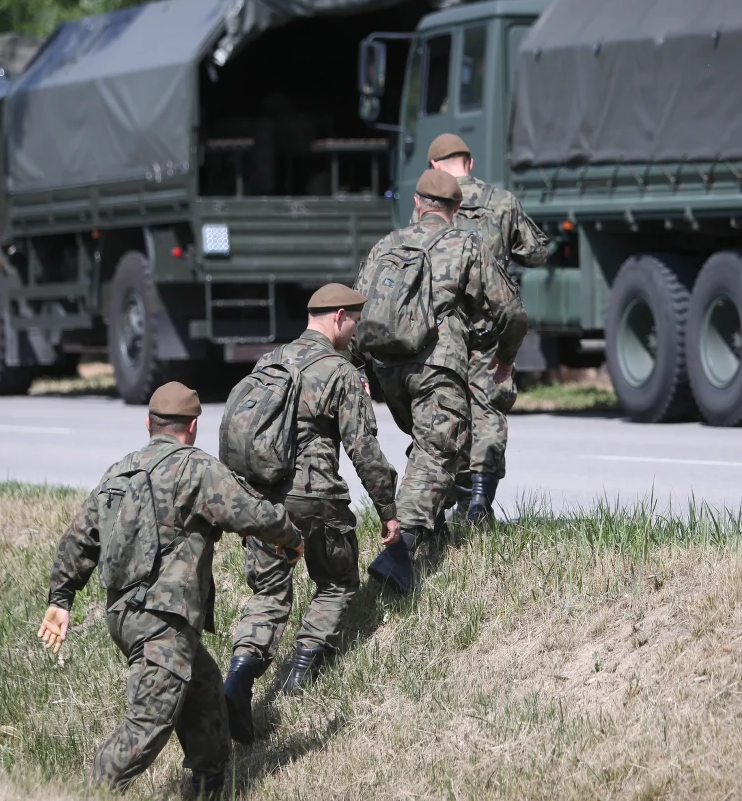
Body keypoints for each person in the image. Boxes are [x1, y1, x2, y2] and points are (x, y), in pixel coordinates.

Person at [39, 382, 303, 799]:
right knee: (148, 724)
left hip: (125, 617)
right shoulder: (197, 468)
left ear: (149, 424)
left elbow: (78, 538)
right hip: (164, 619)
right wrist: (291, 538)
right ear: (193, 426)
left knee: (205, 694)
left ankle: (208, 786)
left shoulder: (120, 471)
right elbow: (252, 513)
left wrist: (61, 598)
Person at [222, 283, 399, 742]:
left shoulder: (270, 362)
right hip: (316, 499)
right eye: (355, 321)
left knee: (267, 593)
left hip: (261, 501)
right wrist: (388, 509)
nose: (356, 331)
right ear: (339, 316)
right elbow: (364, 451)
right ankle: (301, 673)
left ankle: (239, 676)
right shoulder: (339, 371)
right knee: (337, 582)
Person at [354, 169, 527, 593]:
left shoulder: (386, 245)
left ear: (417, 203)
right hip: (437, 363)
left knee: (434, 444)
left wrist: (357, 368)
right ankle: (401, 548)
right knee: (438, 449)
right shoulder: (466, 243)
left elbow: (358, 309)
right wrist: (504, 358)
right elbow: (511, 312)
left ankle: (437, 533)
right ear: (457, 208)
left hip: (387, 367)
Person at [428, 133, 549, 525]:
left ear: (434, 166)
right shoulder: (502, 201)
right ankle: (480, 500)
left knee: (444, 410)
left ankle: (448, 497)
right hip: (490, 326)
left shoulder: (431, 203)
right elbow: (536, 252)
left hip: (443, 330)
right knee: (488, 410)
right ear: (470, 163)